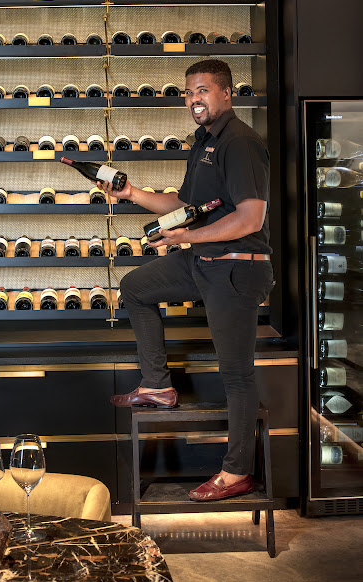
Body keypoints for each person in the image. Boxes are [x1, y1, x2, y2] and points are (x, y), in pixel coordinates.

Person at [100, 59, 275, 501]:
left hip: (236, 266)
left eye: (203, 90)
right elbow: (184, 203)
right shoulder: (204, 142)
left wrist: (188, 237)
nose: (194, 99)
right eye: (188, 93)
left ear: (226, 94)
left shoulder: (240, 142)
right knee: (136, 288)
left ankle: (237, 472)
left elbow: (250, 216)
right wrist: (132, 194)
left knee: (236, 374)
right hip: (204, 261)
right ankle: (158, 385)